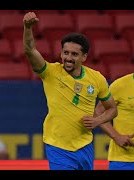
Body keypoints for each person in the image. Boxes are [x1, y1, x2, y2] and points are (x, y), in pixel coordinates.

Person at [23, 12, 118, 170]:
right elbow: (30, 51)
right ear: (61, 53)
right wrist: (27, 28)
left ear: (84, 57)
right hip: (57, 146)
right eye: (65, 53)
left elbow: (112, 109)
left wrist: (97, 121)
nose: (68, 57)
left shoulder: (97, 79)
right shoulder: (50, 72)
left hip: (85, 146)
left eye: (74, 54)